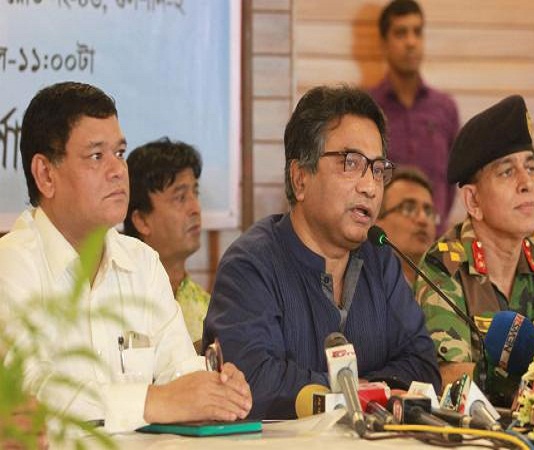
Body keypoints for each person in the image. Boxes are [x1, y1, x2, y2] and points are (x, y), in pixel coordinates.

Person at [0, 82, 251, 433]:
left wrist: (215, 386)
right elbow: (33, 394)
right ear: (45, 174)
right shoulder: (11, 265)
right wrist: (155, 401)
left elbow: (179, 369)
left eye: (119, 153)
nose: (118, 170)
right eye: (96, 156)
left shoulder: (143, 263)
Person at [202, 85, 441, 419]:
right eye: (351, 163)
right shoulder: (250, 265)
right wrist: (360, 393)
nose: (370, 187)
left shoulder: (381, 260)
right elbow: (251, 381)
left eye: (377, 169)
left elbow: (423, 367)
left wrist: (360, 393)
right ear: (300, 178)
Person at [414, 95, 534, 404]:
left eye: (531, 168)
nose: (527, 183)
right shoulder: (444, 267)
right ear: (474, 201)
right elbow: (450, 378)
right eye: (507, 172)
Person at [370, 0, 459, 234]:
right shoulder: (367, 108)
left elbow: (451, 183)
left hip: (434, 239)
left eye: (417, 32)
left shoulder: (445, 108)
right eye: (401, 33)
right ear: (384, 43)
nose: (411, 42)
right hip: (381, 241)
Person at [124, 138, 210, 350]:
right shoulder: (118, 302)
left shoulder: (211, 308)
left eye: (195, 193)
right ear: (141, 220)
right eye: (180, 198)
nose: (195, 208)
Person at [376, 167, 438, 285]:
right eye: (408, 208)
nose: (423, 220)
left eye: (428, 211)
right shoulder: (365, 283)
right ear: (377, 222)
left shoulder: (446, 287)